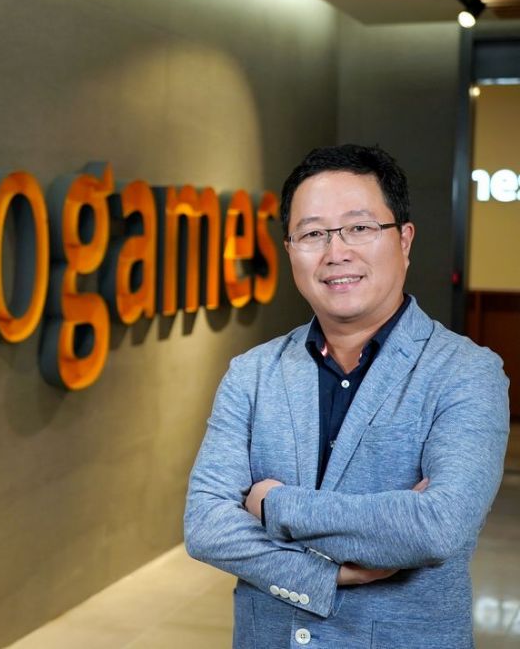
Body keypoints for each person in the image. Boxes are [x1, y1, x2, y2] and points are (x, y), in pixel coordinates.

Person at [184, 144, 510, 648]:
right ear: (290, 250)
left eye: (359, 227)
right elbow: (206, 524)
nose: (336, 252)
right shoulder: (252, 373)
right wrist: (329, 572)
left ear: (404, 240)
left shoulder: (467, 372)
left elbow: (437, 526)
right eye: (313, 234)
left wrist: (271, 504)